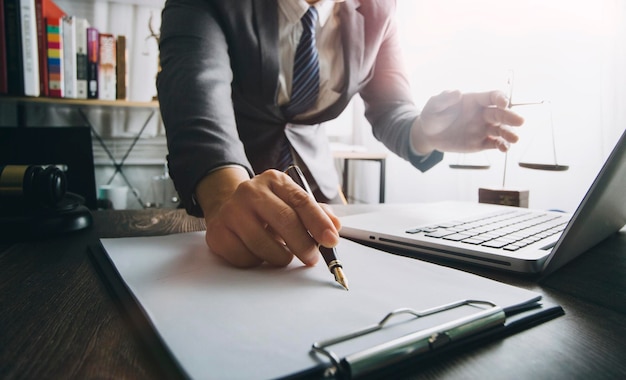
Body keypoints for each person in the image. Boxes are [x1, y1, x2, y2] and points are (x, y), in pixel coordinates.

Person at [156, 0, 524, 269]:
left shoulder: (378, 10)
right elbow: (195, 90)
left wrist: (427, 132)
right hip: (227, 194)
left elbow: (391, 109)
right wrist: (225, 195)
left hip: (325, 198)